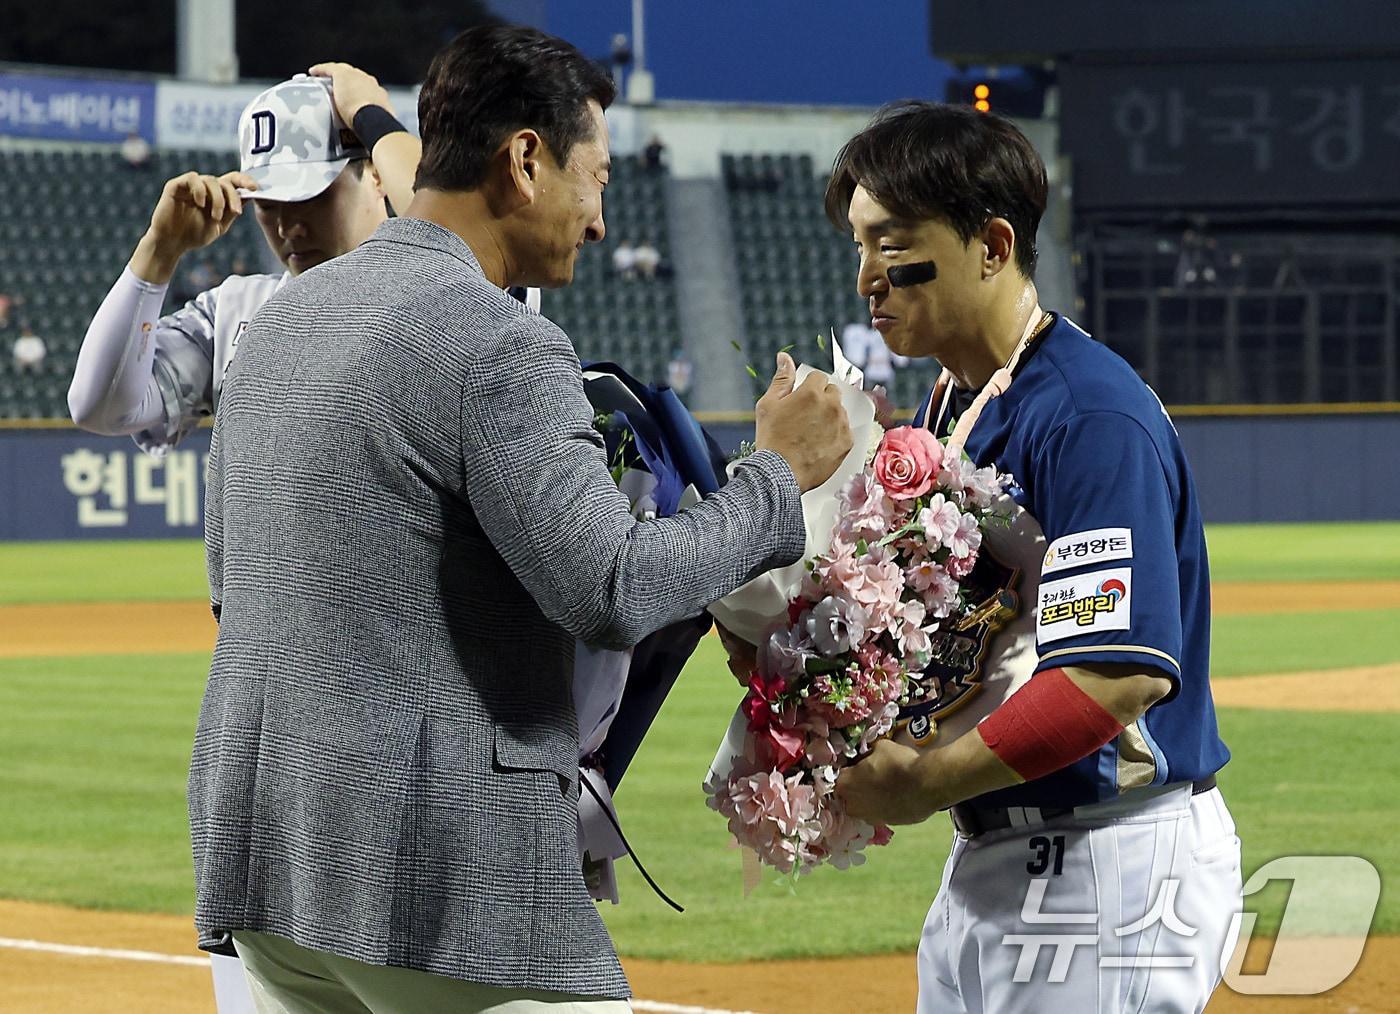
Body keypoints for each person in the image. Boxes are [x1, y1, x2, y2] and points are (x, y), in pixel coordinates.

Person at [193, 23, 851, 1012]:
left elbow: (225, 585)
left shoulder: (283, 318)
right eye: (598, 177)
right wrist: (776, 476)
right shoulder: (498, 341)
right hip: (436, 882)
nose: (598, 219)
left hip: (265, 873)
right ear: (526, 161)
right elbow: (611, 588)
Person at [820, 102, 1240, 1012]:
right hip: (998, 856)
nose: (867, 279)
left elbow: (1110, 676)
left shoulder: (1086, 413)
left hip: (1107, 859)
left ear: (992, 244)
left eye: (892, 243)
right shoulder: (950, 405)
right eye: (858, 247)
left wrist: (925, 779)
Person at [67, 65, 490, 452]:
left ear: (377, 173)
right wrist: (158, 253)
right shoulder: (235, 312)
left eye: (312, 197)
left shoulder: (444, 298)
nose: (289, 228)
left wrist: (372, 119)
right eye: (267, 205)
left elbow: (459, 230)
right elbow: (99, 407)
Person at [839, 318, 909, 388]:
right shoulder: (868, 335)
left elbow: (900, 359)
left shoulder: (890, 336)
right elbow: (862, 353)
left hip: (886, 369)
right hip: (871, 369)